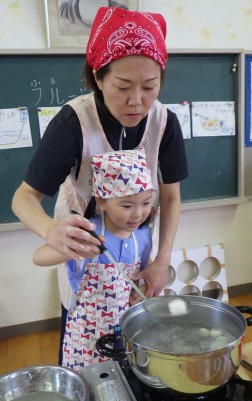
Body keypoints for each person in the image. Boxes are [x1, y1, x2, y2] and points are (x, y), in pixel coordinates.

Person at [11, 7, 188, 364]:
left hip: (135, 261)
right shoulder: (73, 123)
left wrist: (161, 259)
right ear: (98, 77)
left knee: (134, 353)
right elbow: (24, 197)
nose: (137, 101)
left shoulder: (164, 123)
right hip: (84, 265)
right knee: (84, 360)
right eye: (123, 87)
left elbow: (170, 198)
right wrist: (51, 232)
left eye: (150, 87)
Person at [33, 150, 153, 369]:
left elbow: (140, 275)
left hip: (125, 330)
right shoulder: (87, 230)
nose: (138, 214)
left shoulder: (143, 235)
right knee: (89, 385)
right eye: (127, 205)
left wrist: (140, 288)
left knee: (122, 381)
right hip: (86, 336)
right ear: (102, 201)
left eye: (146, 203)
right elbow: (38, 257)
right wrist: (72, 248)